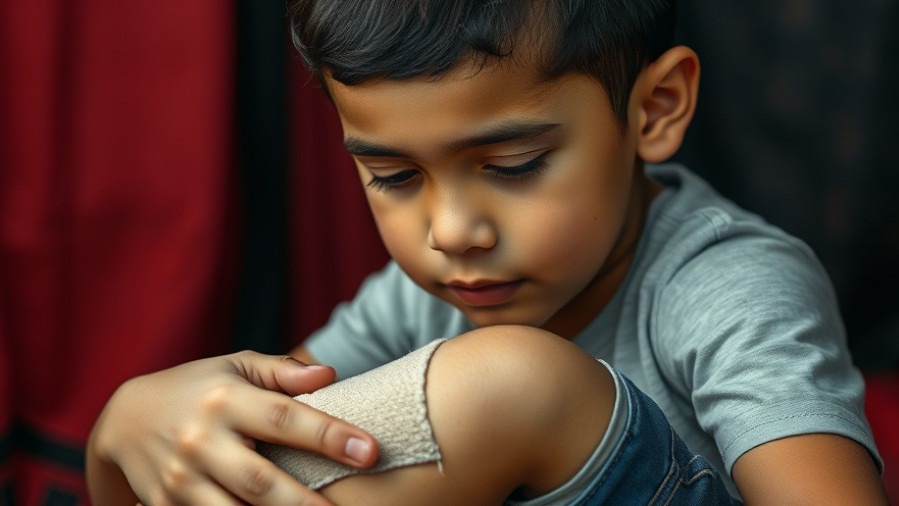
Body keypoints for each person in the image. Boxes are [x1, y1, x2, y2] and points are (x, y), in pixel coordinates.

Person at [86, 1, 888, 504]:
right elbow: (274, 455)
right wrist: (124, 431)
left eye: (511, 167)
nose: (450, 231)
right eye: (394, 176)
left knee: (511, 384)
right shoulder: (435, 289)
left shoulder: (729, 286)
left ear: (655, 108)